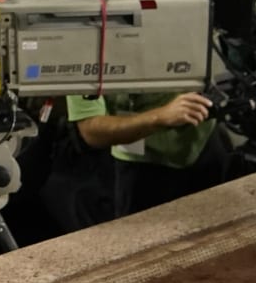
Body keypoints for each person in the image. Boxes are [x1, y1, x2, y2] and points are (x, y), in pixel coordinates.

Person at [67, 90, 226, 217]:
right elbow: (92, 130)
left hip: (203, 143)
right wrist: (159, 117)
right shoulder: (81, 51)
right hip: (141, 165)